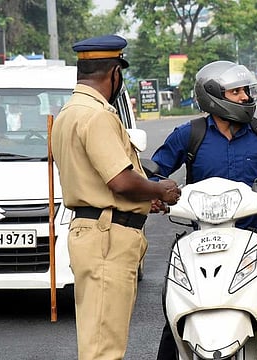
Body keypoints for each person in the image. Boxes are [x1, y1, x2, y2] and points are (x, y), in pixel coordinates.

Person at [151, 60, 257, 360]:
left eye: (245, 91)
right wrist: (156, 194)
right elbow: (155, 173)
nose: (245, 97)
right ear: (213, 97)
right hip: (204, 240)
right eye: (236, 92)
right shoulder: (190, 134)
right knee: (178, 309)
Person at [51, 34, 181, 360]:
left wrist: (142, 200)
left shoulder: (69, 112)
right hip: (107, 238)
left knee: (99, 340)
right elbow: (119, 181)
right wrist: (159, 189)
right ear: (114, 73)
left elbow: (96, 181)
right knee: (103, 349)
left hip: (93, 231)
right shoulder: (97, 115)